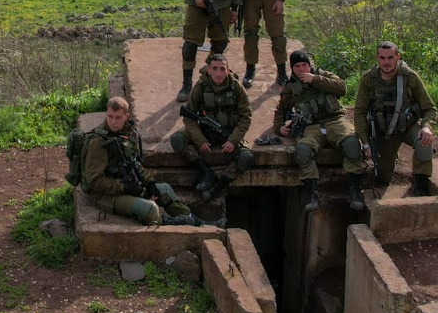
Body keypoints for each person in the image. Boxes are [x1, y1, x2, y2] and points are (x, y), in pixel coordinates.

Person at [271, 50, 368, 216]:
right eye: (298, 66)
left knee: (352, 144)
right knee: (302, 150)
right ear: (292, 68)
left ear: (310, 65)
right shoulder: (290, 87)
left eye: (305, 65)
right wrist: (280, 127)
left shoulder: (323, 75)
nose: (302, 69)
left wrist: (315, 79)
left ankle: (355, 189)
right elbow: (280, 111)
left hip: (336, 120)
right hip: (312, 126)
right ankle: (311, 193)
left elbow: (342, 88)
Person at [82, 96, 193, 225]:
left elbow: (134, 163)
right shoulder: (98, 142)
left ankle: (194, 220)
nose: (113, 122)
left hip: (124, 185)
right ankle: (173, 224)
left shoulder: (126, 134)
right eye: (110, 116)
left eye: (118, 118)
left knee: (164, 190)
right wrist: (125, 188)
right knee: (149, 209)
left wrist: (149, 182)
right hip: (103, 195)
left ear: (126, 117)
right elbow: (94, 181)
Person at [350, 41, 438, 196]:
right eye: (382, 58)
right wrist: (365, 143)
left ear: (398, 57)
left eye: (390, 58)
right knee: (383, 177)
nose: (386, 62)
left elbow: (429, 108)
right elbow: (359, 112)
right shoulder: (369, 79)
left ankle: (420, 185)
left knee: (424, 143)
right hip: (384, 132)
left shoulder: (410, 78)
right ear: (377, 58)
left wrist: (427, 126)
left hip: (408, 127)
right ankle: (391, 158)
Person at [171, 51, 255, 201]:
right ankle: (205, 171)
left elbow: (245, 117)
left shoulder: (236, 88)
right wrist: (200, 140)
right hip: (205, 132)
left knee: (246, 157)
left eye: (222, 69)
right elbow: (188, 117)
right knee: (177, 140)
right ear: (208, 70)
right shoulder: (200, 87)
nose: (218, 73)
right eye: (215, 68)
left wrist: (233, 140)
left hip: (228, 133)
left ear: (228, 70)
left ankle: (219, 184)